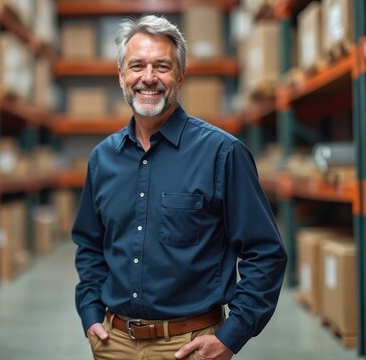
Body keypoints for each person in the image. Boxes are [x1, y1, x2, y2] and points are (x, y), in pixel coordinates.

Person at [72, 15, 287, 360]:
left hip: (189, 346)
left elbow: (265, 253)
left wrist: (232, 335)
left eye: (162, 66)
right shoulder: (102, 158)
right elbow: (89, 245)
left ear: (180, 76)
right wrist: (90, 311)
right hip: (113, 343)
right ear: (121, 77)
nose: (148, 78)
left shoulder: (222, 153)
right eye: (137, 66)